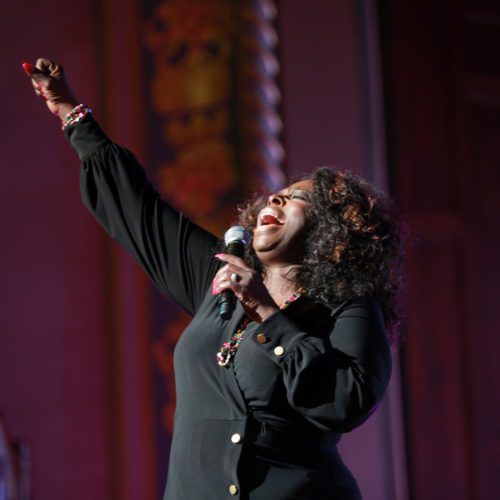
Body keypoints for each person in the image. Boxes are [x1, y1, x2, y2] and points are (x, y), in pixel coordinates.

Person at [23, 58, 402, 500]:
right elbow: (140, 212)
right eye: (277, 194)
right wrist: (69, 110)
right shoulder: (219, 275)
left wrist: (267, 313)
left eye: (298, 199)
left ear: (332, 230)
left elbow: (347, 400)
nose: (276, 198)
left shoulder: (346, 306)